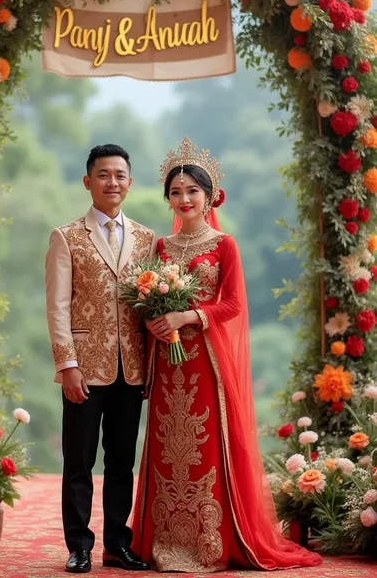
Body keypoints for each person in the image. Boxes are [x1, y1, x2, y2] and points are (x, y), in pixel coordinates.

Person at [131, 137, 322, 572]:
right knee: (167, 444)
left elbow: (233, 304)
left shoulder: (225, 244)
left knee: (202, 444)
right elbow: (143, 303)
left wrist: (188, 316)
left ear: (210, 195)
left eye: (192, 191)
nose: (184, 199)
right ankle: (164, 539)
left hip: (205, 362)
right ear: (168, 198)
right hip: (168, 362)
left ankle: (210, 543)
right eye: (175, 192)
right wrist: (156, 323)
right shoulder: (160, 248)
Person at [45, 144, 155, 573]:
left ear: (130, 182)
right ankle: (79, 547)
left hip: (132, 368)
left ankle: (116, 544)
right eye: (104, 174)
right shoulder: (66, 236)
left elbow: (148, 307)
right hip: (84, 370)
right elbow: (57, 306)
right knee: (79, 462)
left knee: (121, 462)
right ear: (87, 181)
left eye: (120, 175)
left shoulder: (147, 239)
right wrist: (67, 365)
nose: (113, 182)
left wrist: (152, 367)